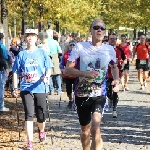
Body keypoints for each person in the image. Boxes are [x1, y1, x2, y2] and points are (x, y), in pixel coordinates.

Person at [65, 19, 119, 150]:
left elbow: (114, 67)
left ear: (105, 32)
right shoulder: (80, 47)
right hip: (81, 93)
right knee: (85, 131)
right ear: (91, 30)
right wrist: (85, 73)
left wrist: (116, 80)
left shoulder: (110, 50)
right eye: (96, 27)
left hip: (100, 94)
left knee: (95, 127)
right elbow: (67, 69)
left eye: (102, 28)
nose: (99, 30)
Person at [12, 28, 53, 149]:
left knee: (41, 114)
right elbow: (15, 72)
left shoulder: (42, 52)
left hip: (40, 87)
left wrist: (47, 76)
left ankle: (41, 131)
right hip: (26, 88)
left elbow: (49, 67)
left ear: (36, 38)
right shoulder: (22, 54)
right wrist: (15, 87)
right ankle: (29, 142)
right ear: (25, 38)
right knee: (29, 114)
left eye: (32, 36)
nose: (30, 38)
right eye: (28, 36)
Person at [106, 33, 126, 118]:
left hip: (116, 74)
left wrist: (123, 65)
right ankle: (110, 99)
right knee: (107, 92)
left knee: (115, 91)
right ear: (108, 40)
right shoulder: (104, 49)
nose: (112, 40)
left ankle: (114, 110)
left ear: (116, 40)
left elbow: (125, 59)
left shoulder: (119, 49)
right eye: (111, 39)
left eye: (114, 39)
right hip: (106, 74)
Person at [60, 40, 77, 109]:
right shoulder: (66, 55)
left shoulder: (78, 55)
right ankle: (70, 100)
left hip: (76, 75)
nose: (72, 46)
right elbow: (61, 65)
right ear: (69, 46)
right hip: (67, 76)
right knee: (68, 90)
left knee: (76, 90)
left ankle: (75, 102)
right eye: (71, 45)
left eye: (73, 45)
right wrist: (62, 70)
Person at [46, 30, 63, 95]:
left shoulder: (44, 42)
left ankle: (51, 90)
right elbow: (60, 51)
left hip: (47, 57)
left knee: (49, 74)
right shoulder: (55, 42)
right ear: (51, 35)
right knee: (57, 74)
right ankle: (59, 90)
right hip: (55, 57)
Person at [0, 32, 9, 111]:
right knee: (1, 87)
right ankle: (1, 106)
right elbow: (5, 57)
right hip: (1, 68)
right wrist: (7, 67)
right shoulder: (2, 46)